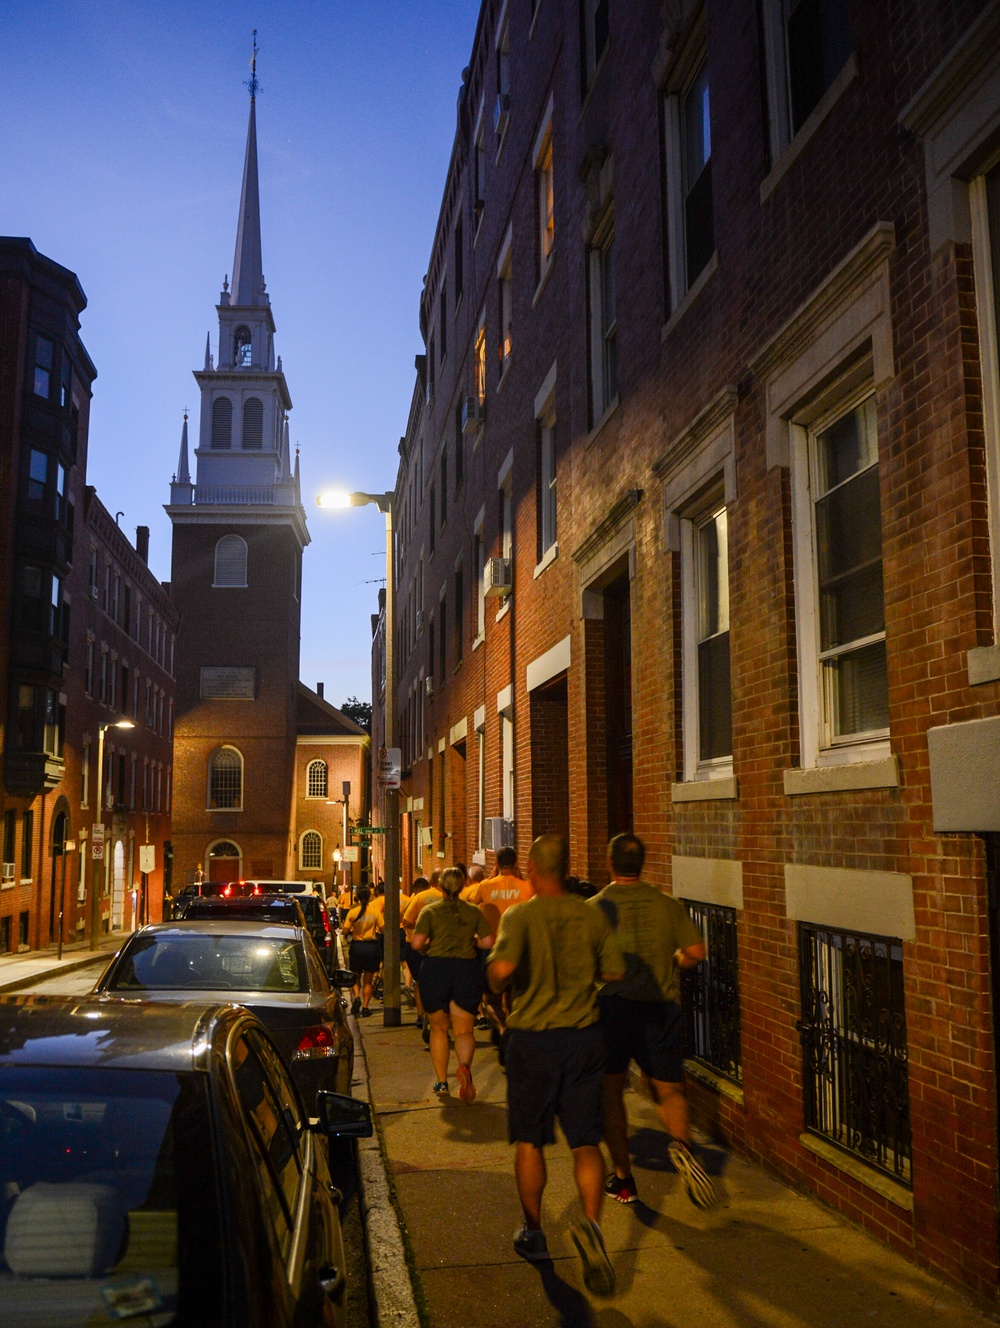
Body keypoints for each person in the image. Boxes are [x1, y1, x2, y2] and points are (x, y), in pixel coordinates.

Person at [488, 834, 624, 1298]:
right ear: (566, 868)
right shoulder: (591, 915)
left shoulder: (520, 916)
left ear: (531, 867)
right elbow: (614, 972)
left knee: (531, 1141)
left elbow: (501, 971)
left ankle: (534, 1233)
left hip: (534, 1041)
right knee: (586, 1143)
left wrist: (500, 972)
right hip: (584, 1038)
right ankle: (591, 1226)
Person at [592, 832, 714, 1209]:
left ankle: (625, 1180)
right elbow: (696, 952)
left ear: (609, 863)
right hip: (661, 1007)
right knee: (670, 1089)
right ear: (642, 864)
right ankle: (683, 1149)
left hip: (612, 1009)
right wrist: (675, 961)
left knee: (611, 1091)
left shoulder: (594, 908)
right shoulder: (666, 904)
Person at [410, 866, 495, 1100]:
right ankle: (465, 1068)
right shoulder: (473, 912)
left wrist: (429, 944)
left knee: (438, 1028)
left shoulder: (430, 911)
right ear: (462, 885)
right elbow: (488, 942)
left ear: (440, 886)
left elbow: (416, 944)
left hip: (436, 969)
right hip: (466, 970)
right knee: (464, 1030)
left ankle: (441, 1083)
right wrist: (474, 941)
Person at [403, 872, 444, 1036]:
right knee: (439, 981)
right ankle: (436, 1014)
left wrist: (420, 928)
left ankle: (420, 1015)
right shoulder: (446, 898)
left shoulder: (419, 898)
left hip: (416, 945)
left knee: (420, 981)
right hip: (439, 945)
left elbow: (406, 921)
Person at [343, 885, 383, 1017]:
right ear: (370, 896)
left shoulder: (353, 912)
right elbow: (383, 929)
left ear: (357, 898)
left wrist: (352, 931)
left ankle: (356, 997)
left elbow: (345, 930)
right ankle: (366, 1007)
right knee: (368, 980)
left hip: (357, 946)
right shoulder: (374, 912)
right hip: (371, 947)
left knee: (355, 975)